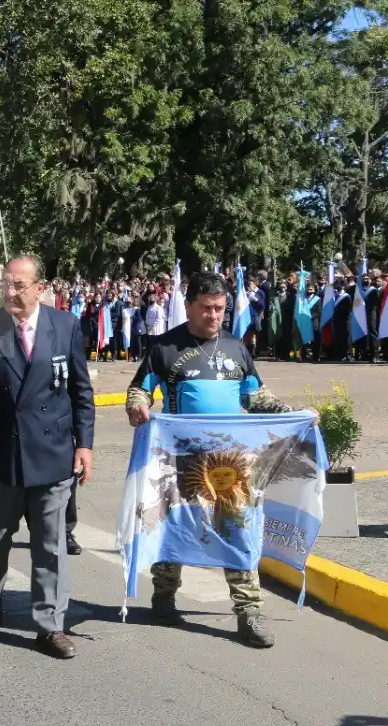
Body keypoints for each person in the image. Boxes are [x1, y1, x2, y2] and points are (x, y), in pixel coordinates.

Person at [125, 271, 310, 649]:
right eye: (206, 308)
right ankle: (164, 596)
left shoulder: (237, 349)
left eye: (220, 309)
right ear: (190, 305)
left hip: (230, 465)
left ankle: (248, 612)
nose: (214, 316)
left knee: (238, 532)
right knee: (174, 528)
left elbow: (256, 397)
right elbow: (139, 389)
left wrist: (294, 414)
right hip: (179, 461)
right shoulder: (164, 347)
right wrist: (138, 406)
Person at [0, 255, 94, 660]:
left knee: (49, 546)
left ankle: (50, 624)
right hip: (1, 455)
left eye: (19, 285)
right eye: (6, 285)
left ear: (40, 288)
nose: (11, 292)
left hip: (53, 456)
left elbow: (81, 394)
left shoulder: (65, 326)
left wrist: (84, 444)